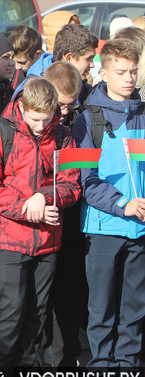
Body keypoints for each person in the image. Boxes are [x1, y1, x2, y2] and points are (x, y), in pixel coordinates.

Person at [0, 78, 81, 373]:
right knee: (11, 308)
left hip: (48, 238)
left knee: (38, 310)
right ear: (21, 106)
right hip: (9, 236)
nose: (40, 125)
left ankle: (26, 366)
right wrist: (27, 207)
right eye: (35, 119)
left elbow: (72, 185)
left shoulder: (63, 136)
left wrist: (44, 196)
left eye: (47, 119)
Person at [73, 38, 145, 369]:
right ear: (104, 72)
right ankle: (100, 363)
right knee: (101, 305)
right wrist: (122, 205)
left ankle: (128, 362)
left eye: (133, 71)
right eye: (121, 72)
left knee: (135, 304)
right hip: (105, 226)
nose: (129, 78)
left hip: (140, 227)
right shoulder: (87, 118)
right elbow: (85, 179)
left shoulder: (142, 112)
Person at [37, 61, 89, 368]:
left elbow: (78, 176)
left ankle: (66, 359)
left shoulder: (77, 122)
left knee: (69, 292)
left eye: (72, 105)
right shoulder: (36, 121)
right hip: (37, 219)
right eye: (61, 105)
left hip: (70, 218)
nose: (66, 111)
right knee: (39, 297)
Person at [19, 23, 98, 104]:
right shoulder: (33, 90)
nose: (92, 65)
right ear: (68, 58)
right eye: (88, 59)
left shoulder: (80, 83)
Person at [8, 25, 42, 89]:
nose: (17, 67)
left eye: (22, 62)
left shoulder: (49, 74)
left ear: (38, 54)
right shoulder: (11, 70)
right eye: (13, 60)